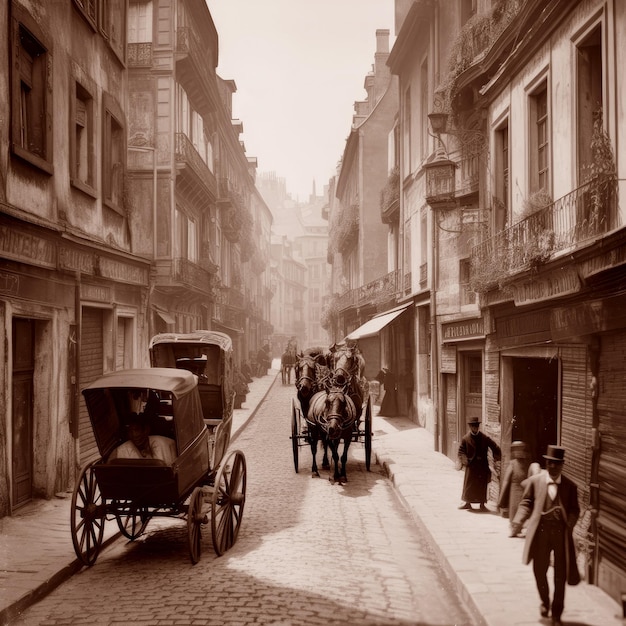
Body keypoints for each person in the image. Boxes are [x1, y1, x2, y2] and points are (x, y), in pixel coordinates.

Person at [510, 445, 580, 626]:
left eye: (557, 464)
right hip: (540, 533)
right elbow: (526, 502)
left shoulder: (570, 487)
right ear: (546, 463)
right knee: (539, 570)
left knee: (560, 575)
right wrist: (518, 519)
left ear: (562, 465)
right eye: (550, 463)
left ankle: (556, 614)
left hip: (560, 535)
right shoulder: (535, 482)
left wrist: (569, 524)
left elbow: (574, 510)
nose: (553, 467)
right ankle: (545, 602)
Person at [457, 416, 501, 511]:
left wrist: (496, 459)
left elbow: (495, 447)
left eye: (476, 426)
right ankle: (468, 503)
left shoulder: (484, 438)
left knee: (481, 486)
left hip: (482, 466)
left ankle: (482, 505)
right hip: (471, 467)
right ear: (470, 427)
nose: (475, 428)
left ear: (478, 427)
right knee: (469, 486)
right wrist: (465, 461)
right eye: (473, 426)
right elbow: (461, 451)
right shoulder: (466, 439)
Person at [110, 411, 177, 464]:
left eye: (137, 430)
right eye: (130, 431)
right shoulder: (122, 449)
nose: (134, 435)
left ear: (146, 430)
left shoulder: (161, 444)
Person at [497, 440, 531, 529]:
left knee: (523, 509)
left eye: (520, 449)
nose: (518, 452)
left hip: (525, 490)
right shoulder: (512, 464)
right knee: (515, 508)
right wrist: (501, 499)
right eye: (516, 449)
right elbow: (506, 482)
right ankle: (514, 527)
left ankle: (517, 526)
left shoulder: (527, 463)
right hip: (515, 491)